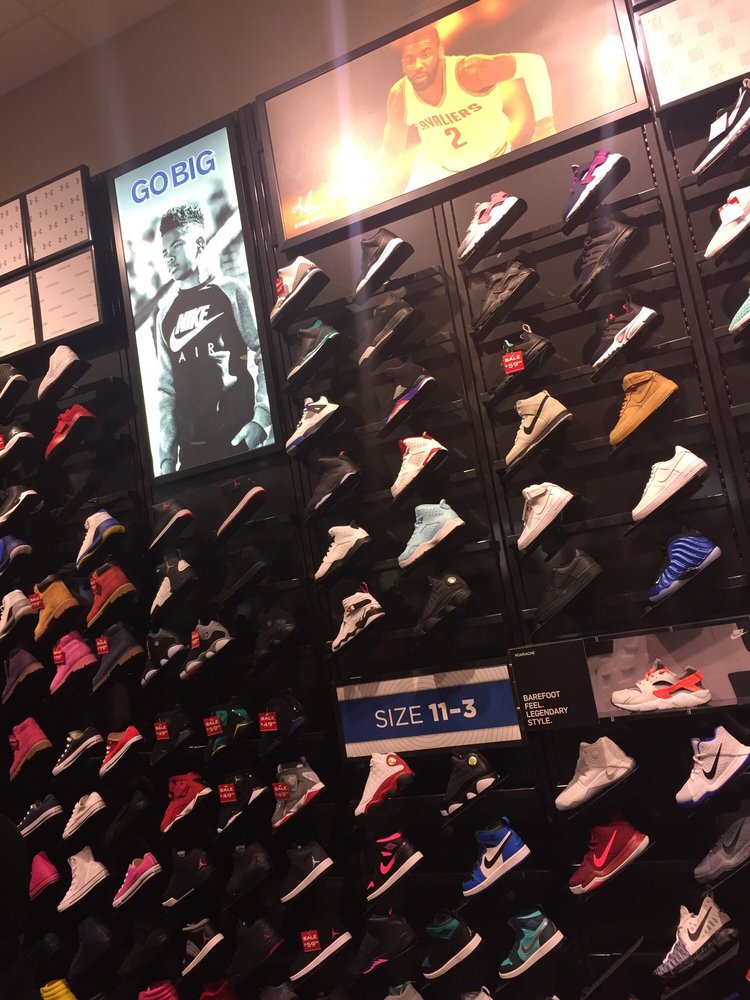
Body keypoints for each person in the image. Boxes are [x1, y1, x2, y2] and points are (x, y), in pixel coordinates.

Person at [155, 204, 271, 475]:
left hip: (238, 440)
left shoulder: (231, 291)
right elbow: (166, 390)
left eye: (176, 246)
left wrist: (261, 420)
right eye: (164, 252)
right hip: (192, 453)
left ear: (199, 243)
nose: (169, 257)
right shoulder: (165, 314)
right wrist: (167, 460)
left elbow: (264, 353)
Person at [379, 23, 556, 194]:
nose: (418, 65)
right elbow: (391, 151)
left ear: (440, 51)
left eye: (426, 54)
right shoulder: (400, 96)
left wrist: (545, 125)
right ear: (403, 63)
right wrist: (385, 177)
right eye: (410, 59)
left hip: (494, 159)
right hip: (439, 171)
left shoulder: (470, 72)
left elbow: (533, 64)